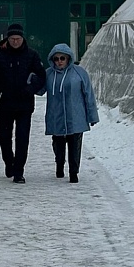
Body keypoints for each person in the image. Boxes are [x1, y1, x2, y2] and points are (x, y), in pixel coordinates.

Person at [0, 22, 46, 183]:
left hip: (24, 104)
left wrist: (30, 88)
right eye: (12, 39)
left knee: (22, 137)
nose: (15, 42)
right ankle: (8, 160)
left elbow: (41, 76)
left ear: (22, 38)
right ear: (7, 39)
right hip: (4, 103)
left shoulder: (31, 55)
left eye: (18, 38)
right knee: (4, 136)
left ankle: (19, 171)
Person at [44, 43, 99, 183]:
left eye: (62, 58)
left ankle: (74, 172)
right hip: (56, 116)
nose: (59, 61)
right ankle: (59, 165)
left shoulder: (79, 73)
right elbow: (38, 89)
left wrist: (92, 115)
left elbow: (88, 94)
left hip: (76, 116)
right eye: (56, 59)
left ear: (68, 58)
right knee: (58, 144)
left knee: (75, 145)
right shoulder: (49, 74)